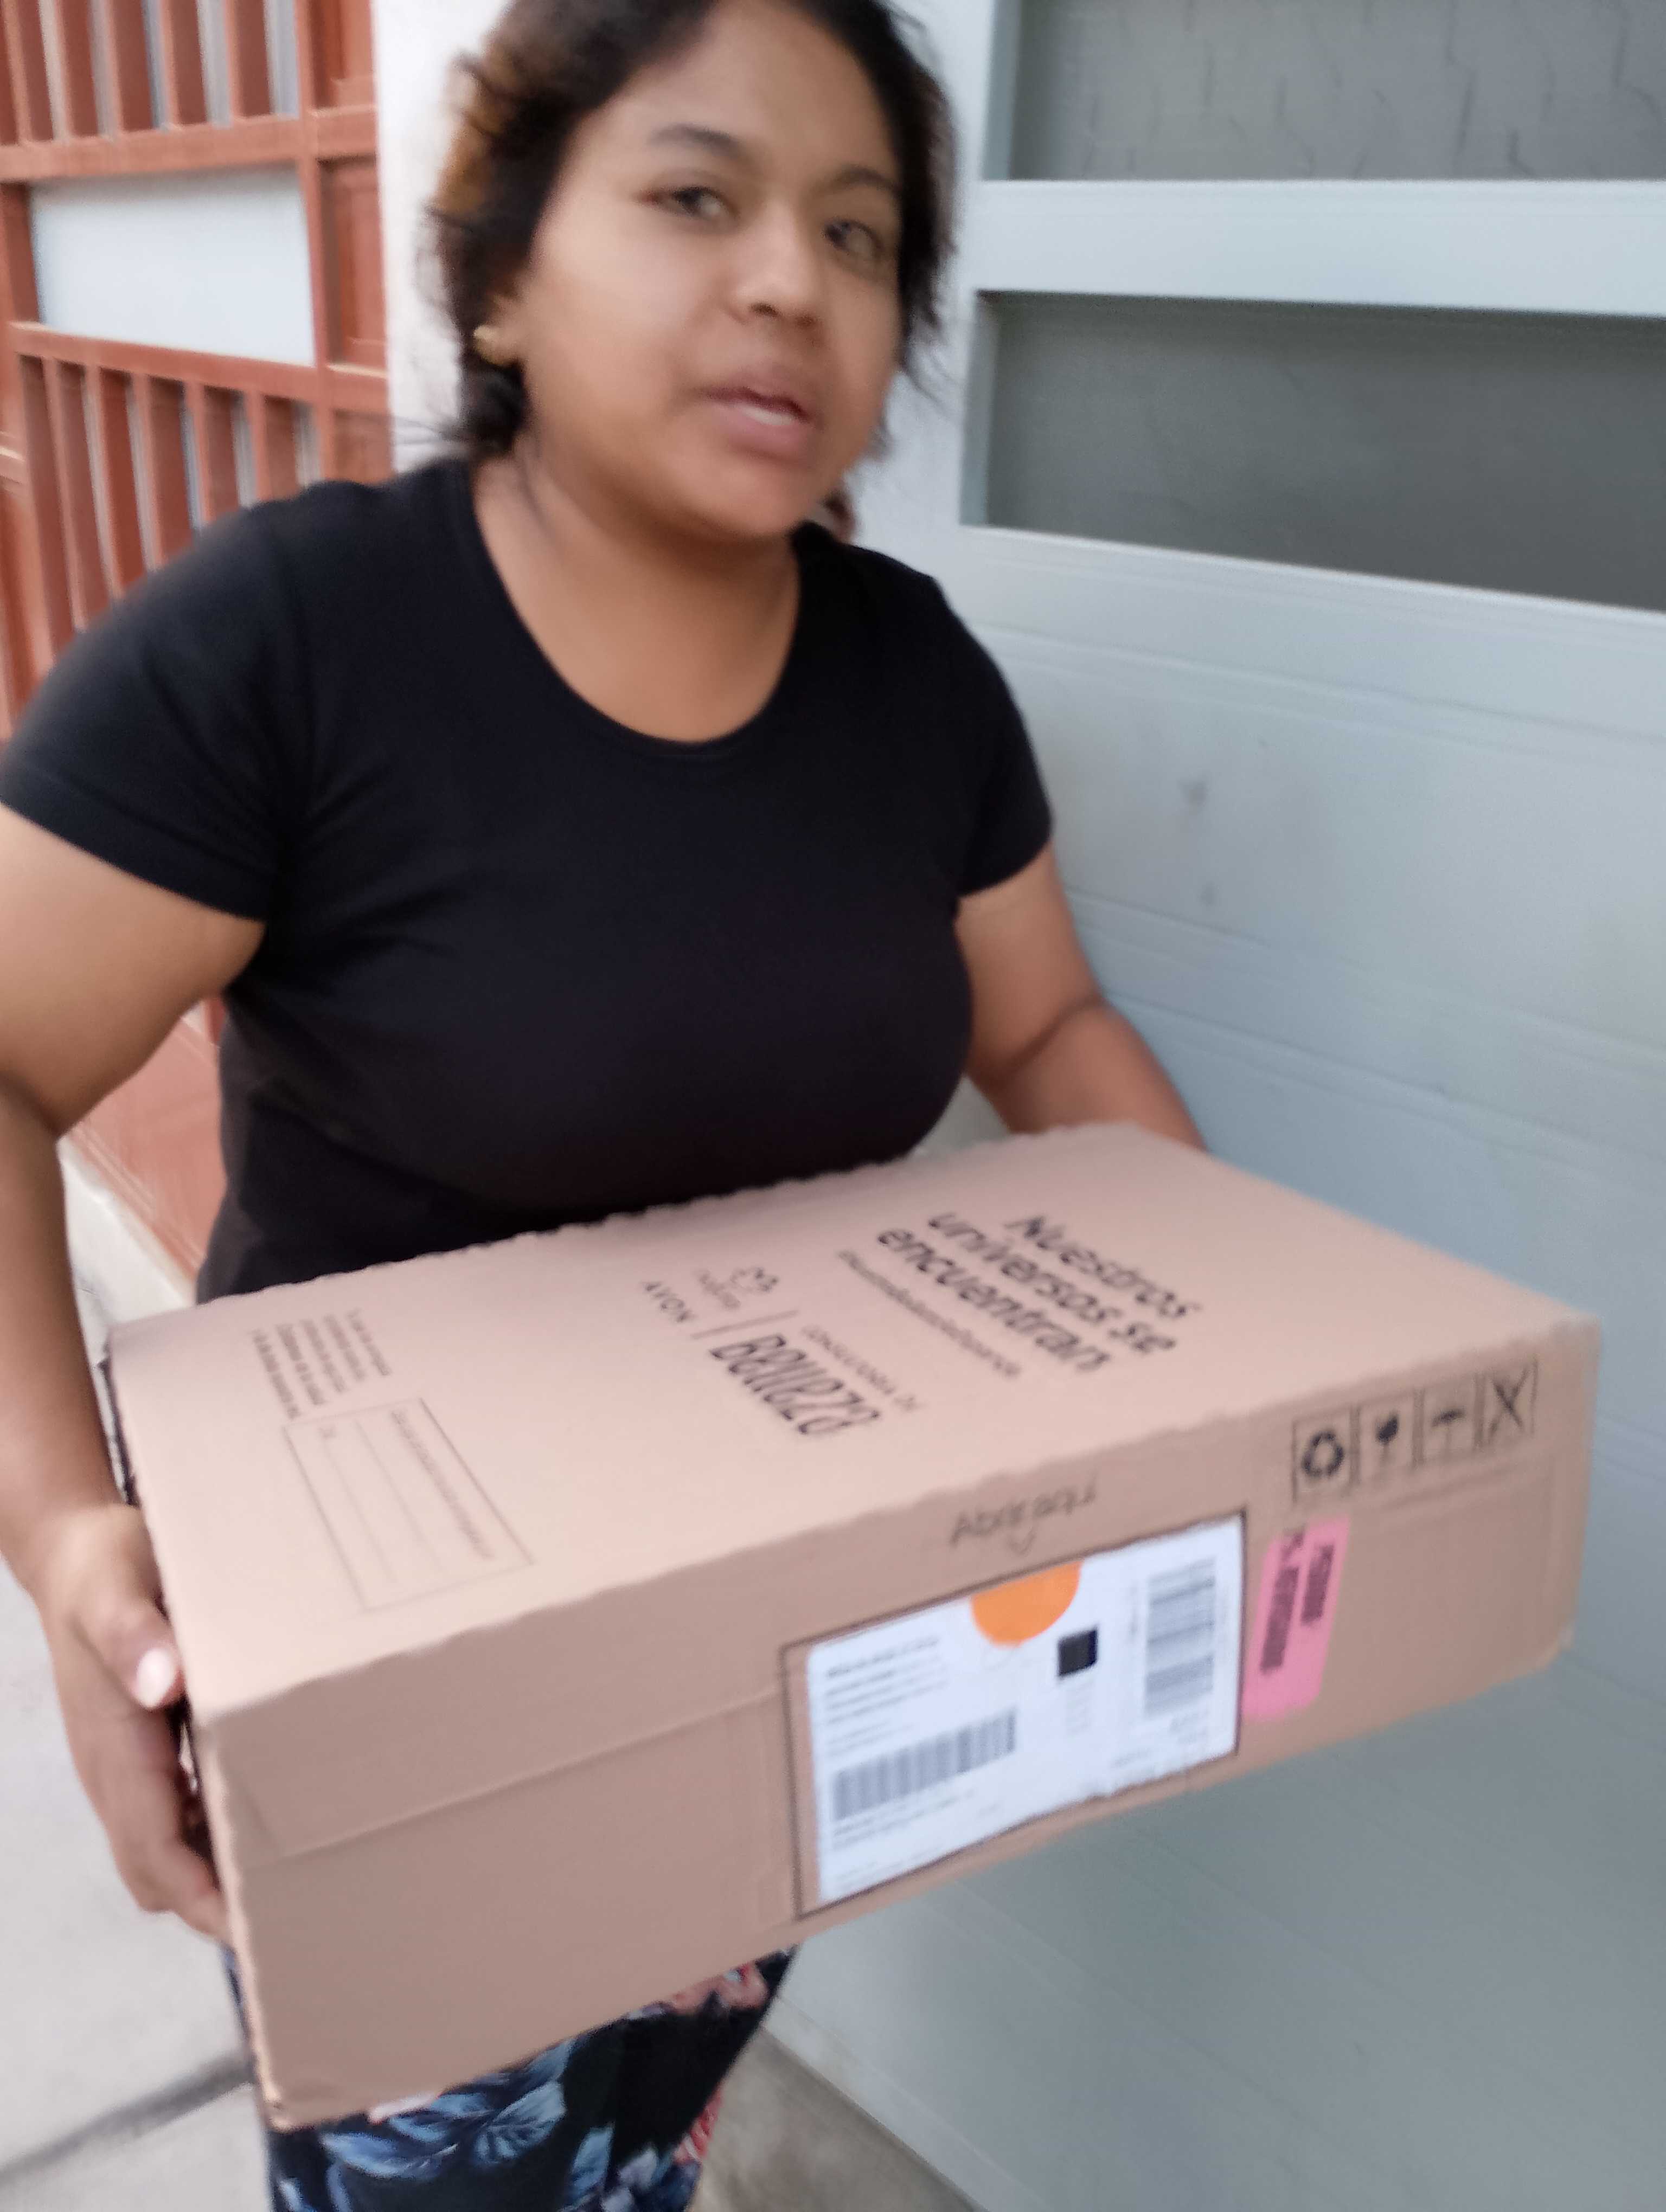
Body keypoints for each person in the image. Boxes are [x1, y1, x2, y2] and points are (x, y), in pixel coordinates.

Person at [0, 1, 1202, 2204]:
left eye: (860, 234)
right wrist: (70, 1540)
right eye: (695, 196)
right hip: (397, 1701)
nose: (792, 282)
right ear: (497, 276)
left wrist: (1221, 1334)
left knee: (650, 2117)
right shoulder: (297, 645)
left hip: (769, 1653)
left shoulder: (916, 683)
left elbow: (1046, 1030)